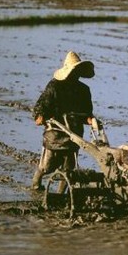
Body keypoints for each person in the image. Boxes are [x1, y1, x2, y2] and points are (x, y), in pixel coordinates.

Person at [31, 51, 96, 191]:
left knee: (69, 169)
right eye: (74, 70)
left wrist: (90, 120)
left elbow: (86, 112)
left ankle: (60, 194)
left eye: (77, 71)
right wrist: (39, 116)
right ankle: (36, 184)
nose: (75, 74)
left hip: (74, 133)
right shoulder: (55, 86)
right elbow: (41, 104)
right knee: (46, 166)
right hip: (55, 131)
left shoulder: (83, 90)